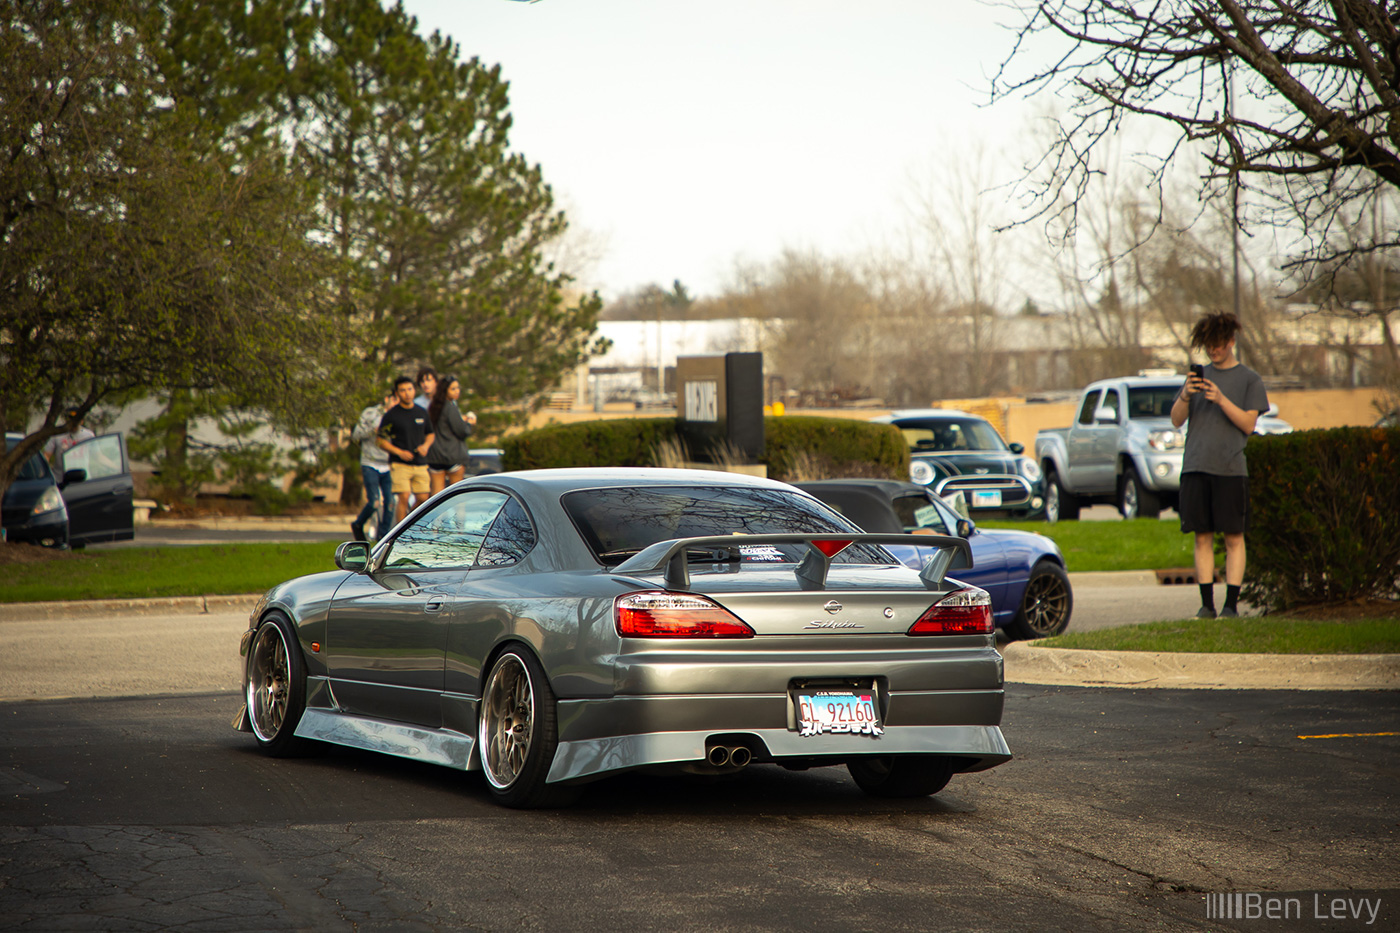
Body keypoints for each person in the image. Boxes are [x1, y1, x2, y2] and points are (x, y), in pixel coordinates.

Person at [1170, 311, 1269, 619]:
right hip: (1195, 466)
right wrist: (1186, 395)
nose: (1213, 351)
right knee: (1202, 535)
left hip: (1230, 469)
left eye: (1218, 345)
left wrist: (1223, 400)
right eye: (1208, 346)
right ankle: (1206, 605)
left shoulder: (1250, 380)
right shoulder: (1197, 378)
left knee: (1233, 537)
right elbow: (1175, 420)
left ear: (1231, 341)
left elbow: (1249, 425)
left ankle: (1230, 605)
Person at [377, 376, 435, 525]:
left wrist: (425, 446)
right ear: (397, 393)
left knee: (423, 498)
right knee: (404, 496)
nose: (407, 393)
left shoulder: (421, 412)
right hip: (400, 463)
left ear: (414, 390)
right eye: (402, 390)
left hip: (420, 463)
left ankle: (407, 522)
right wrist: (399, 452)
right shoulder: (391, 415)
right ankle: (398, 537)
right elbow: (380, 440)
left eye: (409, 389)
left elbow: (430, 433)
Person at [350, 392, 396, 542]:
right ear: (387, 399)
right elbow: (356, 436)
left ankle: (383, 538)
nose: (396, 403)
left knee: (390, 502)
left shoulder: (399, 415)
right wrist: (372, 430)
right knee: (374, 502)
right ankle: (358, 524)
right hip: (370, 462)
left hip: (388, 464)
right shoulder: (371, 413)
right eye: (394, 399)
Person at [425, 374, 478, 494]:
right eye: (453, 389)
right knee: (457, 495)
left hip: (435, 456)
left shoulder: (433, 406)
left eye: (458, 388)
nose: (457, 391)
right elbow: (462, 431)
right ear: (445, 390)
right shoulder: (450, 406)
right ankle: (459, 514)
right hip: (452, 456)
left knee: (436, 496)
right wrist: (469, 423)